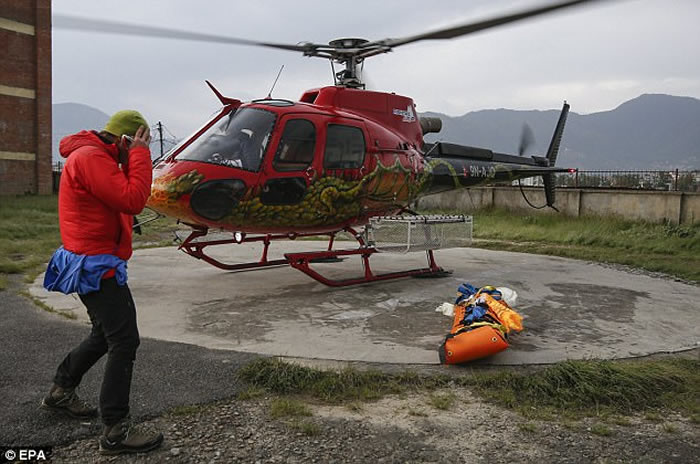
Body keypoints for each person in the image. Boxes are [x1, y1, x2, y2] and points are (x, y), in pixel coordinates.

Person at [41, 110, 163, 455]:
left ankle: (61, 391)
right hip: (95, 265)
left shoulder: (93, 155)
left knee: (103, 334)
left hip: (93, 259)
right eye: (139, 143)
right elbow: (132, 198)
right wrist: (140, 155)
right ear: (125, 140)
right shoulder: (92, 157)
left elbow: (117, 198)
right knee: (124, 340)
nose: (139, 150)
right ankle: (115, 430)